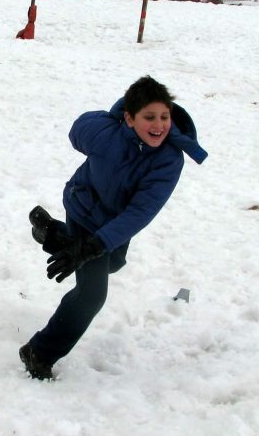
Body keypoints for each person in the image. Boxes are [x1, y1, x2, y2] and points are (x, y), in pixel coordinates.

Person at [20, 75, 208, 380]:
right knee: (91, 294)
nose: (159, 125)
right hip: (83, 208)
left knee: (114, 262)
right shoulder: (107, 133)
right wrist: (108, 121)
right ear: (129, 118)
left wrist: (92, 247)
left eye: (164, 116)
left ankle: (53, 234)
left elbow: (141, 211)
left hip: (115, 223)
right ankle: (39, 352)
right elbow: (77, 132)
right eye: (149, 117)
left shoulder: (168, 160)